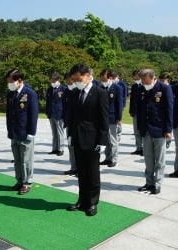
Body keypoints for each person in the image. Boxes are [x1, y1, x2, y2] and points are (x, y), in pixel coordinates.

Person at [66, 63, 109, 216]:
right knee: (81, 172)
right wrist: (70, 134)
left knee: (92, 173)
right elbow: (71, 116)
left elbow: (104, 119)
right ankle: (82, 200)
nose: (77, 82)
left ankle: (92, 202)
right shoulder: (75, 93)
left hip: (93, 139)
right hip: (77, 137)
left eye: (79, 79)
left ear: (89, 76)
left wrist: (103, 141)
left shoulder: (99, 93)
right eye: (74, 79)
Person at [137, 69, 173, 194]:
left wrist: (168, 129)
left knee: (159, 160)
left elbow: (169, 110)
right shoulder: (142, 89)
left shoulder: (164, 88)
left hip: (159, 129)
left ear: (152, 78)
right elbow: (140, 109)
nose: (143, 83)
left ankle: (157, 184)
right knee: (148, 158)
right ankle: (148, 182)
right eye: (142, 80)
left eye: (145, 80)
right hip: (146, 129)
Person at [5, 69, 39, 195]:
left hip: (25, 132)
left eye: (11, 81)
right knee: (17, 159)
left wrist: (31, 132)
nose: (9, 84)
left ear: (19, 81)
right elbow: (9, 114)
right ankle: (19, 181)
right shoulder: (11, 93)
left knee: (26, 160)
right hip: (14, 132)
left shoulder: (29, 93)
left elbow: (33, 114)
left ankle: (27, 182)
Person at [99, 69, 123, 168]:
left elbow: (119, 104)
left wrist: (119, 118)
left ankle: (114, 159)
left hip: (112, 117)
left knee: (113, 140)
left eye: (105, 79)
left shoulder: (117, 88)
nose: (103, 81)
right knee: (106, 140)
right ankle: (107, 158)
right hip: (102, 117)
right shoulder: (101, 87)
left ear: (110, 78)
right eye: (102, 79)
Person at [46, 72, 66, 156]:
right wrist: (47, 112)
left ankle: (60, 149)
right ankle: (54, 148)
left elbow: (65, 103)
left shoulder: (63, 89)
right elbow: (48, 102)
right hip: (51, 113)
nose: (52, 83)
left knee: (60, 132)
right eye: (51, 81)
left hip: (60, 113)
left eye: (54, 81)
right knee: (54, 132)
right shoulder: (50, 89)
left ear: (58, 80)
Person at [62, 72, 77, 176]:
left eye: (69, 81)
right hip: (70, 124)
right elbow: (64, 107)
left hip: (79, 125)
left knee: (79, 148)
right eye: (66, 82)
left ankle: (80, 169)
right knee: (70, 146)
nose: (68, 83)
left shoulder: (80, 91)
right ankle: (73, 167)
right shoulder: (66, 91)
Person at [129, 70, 144, 155]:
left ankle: (144, 148)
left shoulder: (145, 85)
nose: (134, 78)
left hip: (142, 112)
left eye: (135, 76)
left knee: (142, 130)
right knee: (136, 131)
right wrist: (131, 110)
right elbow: (132, 99)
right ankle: (138, 148)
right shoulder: (134, 86)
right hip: (135, 111)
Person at [111, 71, 127, 142]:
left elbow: (124, 95)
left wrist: (123, 105)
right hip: (112, 104)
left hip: (120, 104)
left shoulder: (122, 84)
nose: (113, 79)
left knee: (118, 120)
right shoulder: (110, 83)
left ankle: (119, 134)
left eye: (114, 77)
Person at [159, 72, 173, 149]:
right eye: (160, 80)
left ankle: (168, 141)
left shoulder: (171, 88)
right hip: (161, 111)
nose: (162, 82)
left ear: (167, 80)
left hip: (169, 110)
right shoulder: (158, 88)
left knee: (168, 126)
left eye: (163, 80)